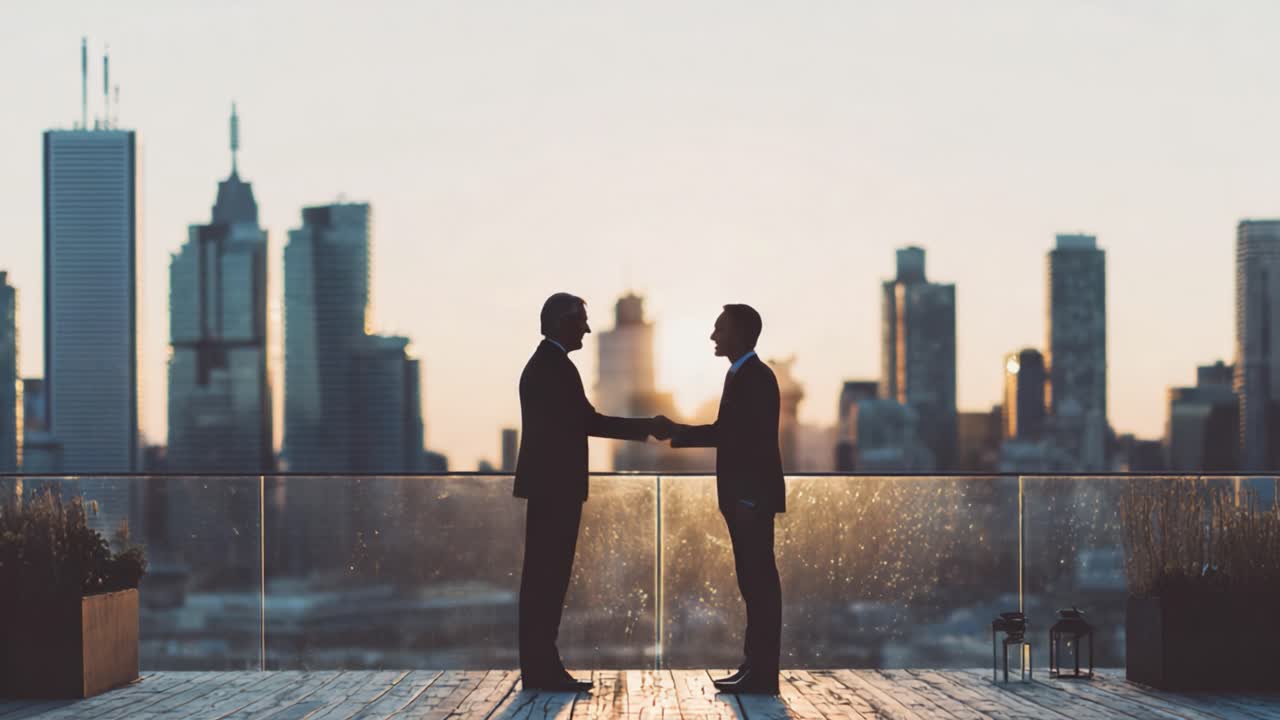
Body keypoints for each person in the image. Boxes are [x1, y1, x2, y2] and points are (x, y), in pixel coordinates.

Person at [514, 292, 672, 692]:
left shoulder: (544, 365)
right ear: (561, 321)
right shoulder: (556, 368)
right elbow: (589, 422)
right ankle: (543, 669)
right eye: (581, 320)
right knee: (548, 580)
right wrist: (646, 427)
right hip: (557, 490)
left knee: (543, 579)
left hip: (549, 488)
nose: (586, 327)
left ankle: (540, 667)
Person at [664, 304, 784, 695]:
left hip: (750, 498)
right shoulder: (744, 376)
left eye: (719, 329)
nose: (713, 337)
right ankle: (754, 668)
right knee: (753, 584)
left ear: (740, 333)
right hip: (744, 498)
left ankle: (762, 674)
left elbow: (734, 436)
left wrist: (676, 433)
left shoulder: (754, 378)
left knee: (759, 584)